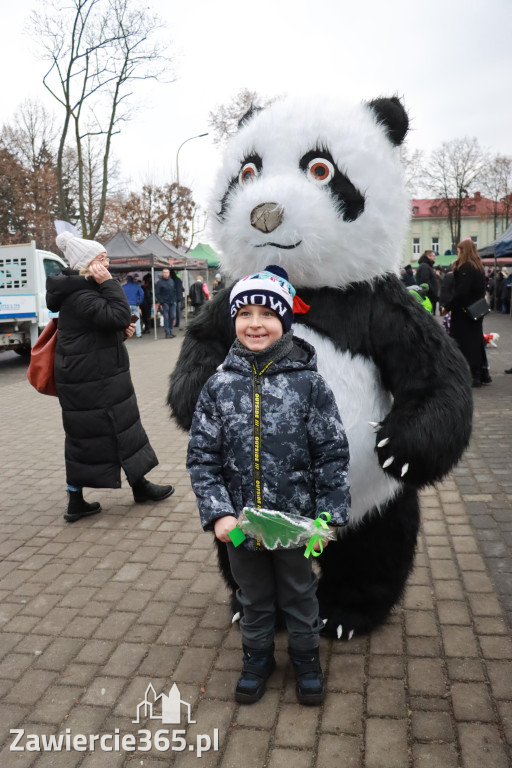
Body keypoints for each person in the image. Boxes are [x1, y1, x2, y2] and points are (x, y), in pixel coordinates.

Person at [187, 265, 350, 706]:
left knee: (299, 594)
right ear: (233, 320)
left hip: (296, 523)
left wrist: (328, 517)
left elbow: (332, 454)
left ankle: (306, 659)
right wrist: (218, 513)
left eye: (266, 313)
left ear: (285, 322)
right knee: (253, 597)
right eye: (245, 313)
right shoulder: (218, 387)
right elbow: (202, 458)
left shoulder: (309, 385)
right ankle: (256, 658)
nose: (255, 323)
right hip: (240, 525)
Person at [48, 232, 175, 522]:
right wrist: (109, 285)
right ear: (87, 265)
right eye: (101, 260)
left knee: (119, 430)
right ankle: (76, 500)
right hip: (91, 381)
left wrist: (120, 335)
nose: (107, 264)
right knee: (87, 437)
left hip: (98, 375)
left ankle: (137, 485)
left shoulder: (83, 291)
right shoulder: (81, 294)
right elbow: (118, 314)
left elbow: (100, 329)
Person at [444, 239, 488, 388]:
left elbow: (461, 292)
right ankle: (481, 373)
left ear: (464, 251)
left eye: (459, 250)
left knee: (464, 343)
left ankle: (469, 375)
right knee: (476, 341)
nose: (457, 253)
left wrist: (448, 306)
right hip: (476, 310)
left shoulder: (466, 268)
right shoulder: (478, 267)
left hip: (464, 313)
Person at [155, 268, 176, 338]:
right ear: (162, 273)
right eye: (164, 272)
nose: (165, 274)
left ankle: (170, 330)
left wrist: (175, 298)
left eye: (167, 272)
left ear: (169, 273)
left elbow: (174, 290)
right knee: (166, 317)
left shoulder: (171, 281)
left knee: (172, 316)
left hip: (172, 301)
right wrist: (162, 301)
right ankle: (167, 332)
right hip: (165, 302)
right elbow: (157, 293)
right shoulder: (159, 283)